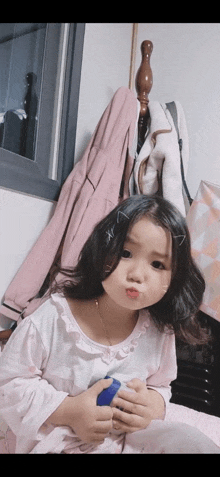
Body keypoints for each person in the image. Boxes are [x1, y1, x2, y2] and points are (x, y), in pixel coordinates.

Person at [0, 194, 219, 454]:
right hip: (55, 438)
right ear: (101, 250)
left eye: (158, 264)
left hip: (125, 440)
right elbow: (9, 384)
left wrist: (152, 403)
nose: (137, 275)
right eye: (125, 253)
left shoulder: (159, 331)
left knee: (192, 442)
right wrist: (70, 411)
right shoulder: (53, 317)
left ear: (175, 277)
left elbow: (161, 384)